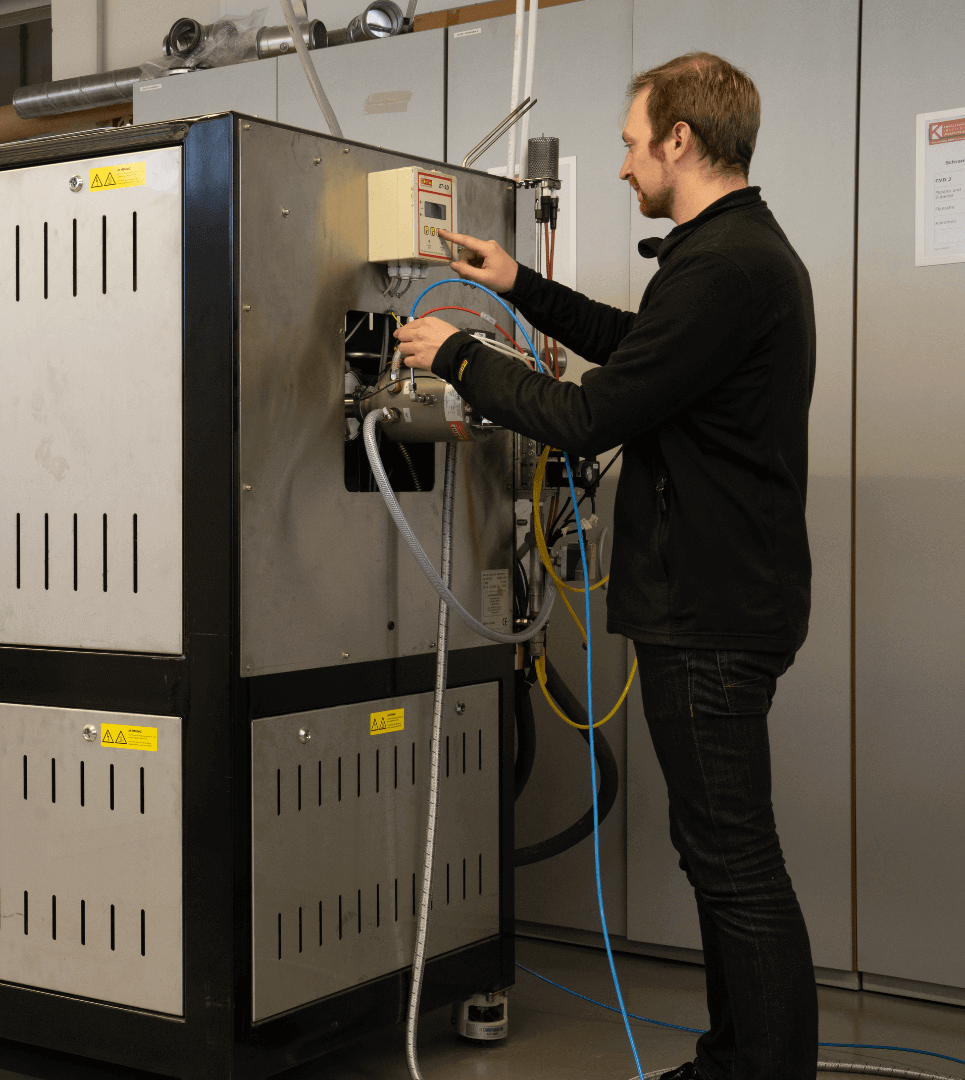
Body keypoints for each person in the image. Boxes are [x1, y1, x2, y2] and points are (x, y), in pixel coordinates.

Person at [392, 52, 818, 1080]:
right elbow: (639, 348)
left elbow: (591, 414)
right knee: (719, 858)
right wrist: (519, 286)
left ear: (680, 138)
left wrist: (457, 356)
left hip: (710, 613)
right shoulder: (731, 257)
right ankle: (735, 1061)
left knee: (735, 866)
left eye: (632, 144)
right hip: (721, 602)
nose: (624, 165)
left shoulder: (726, 266)